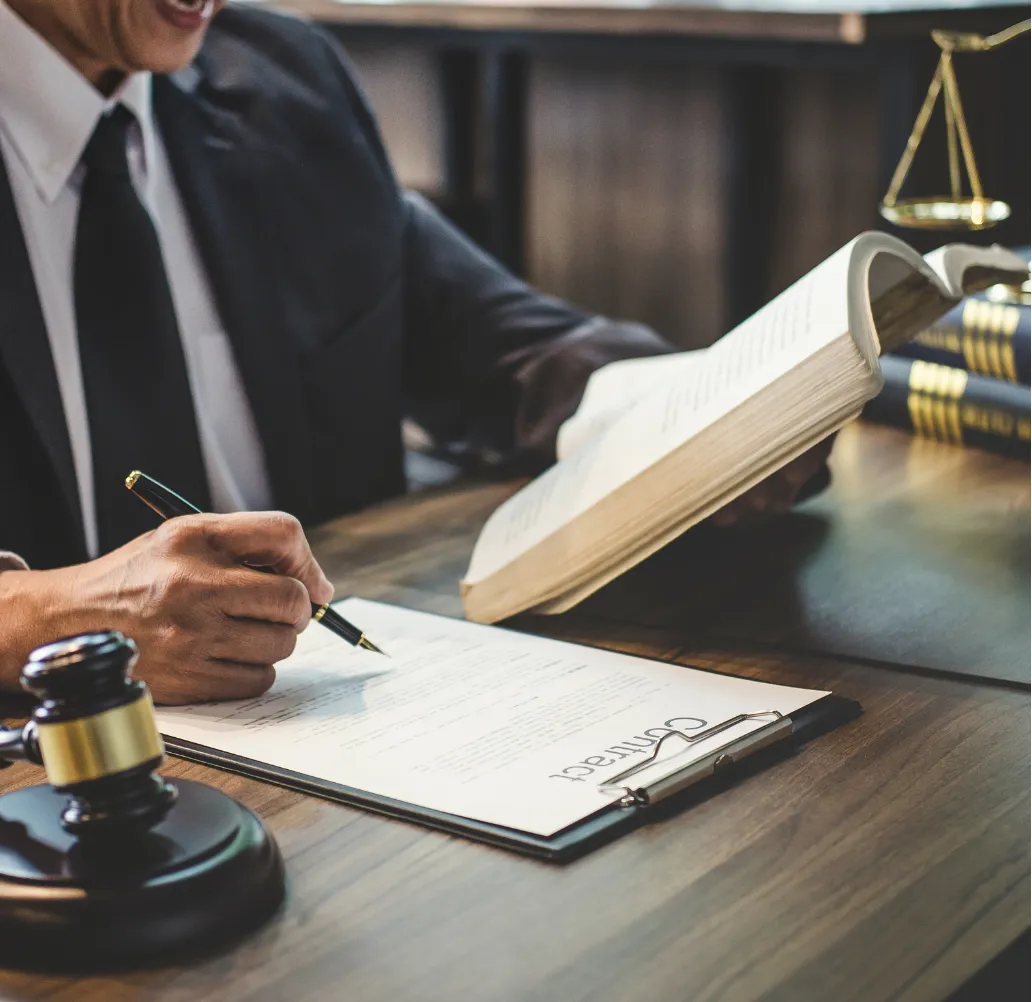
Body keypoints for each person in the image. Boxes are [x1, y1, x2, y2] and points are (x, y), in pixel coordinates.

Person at [0, 0, 832, 703]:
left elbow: (489, 341)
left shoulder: (283, 77)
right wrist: (50, 619)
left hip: (330, 721)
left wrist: (705, 416)